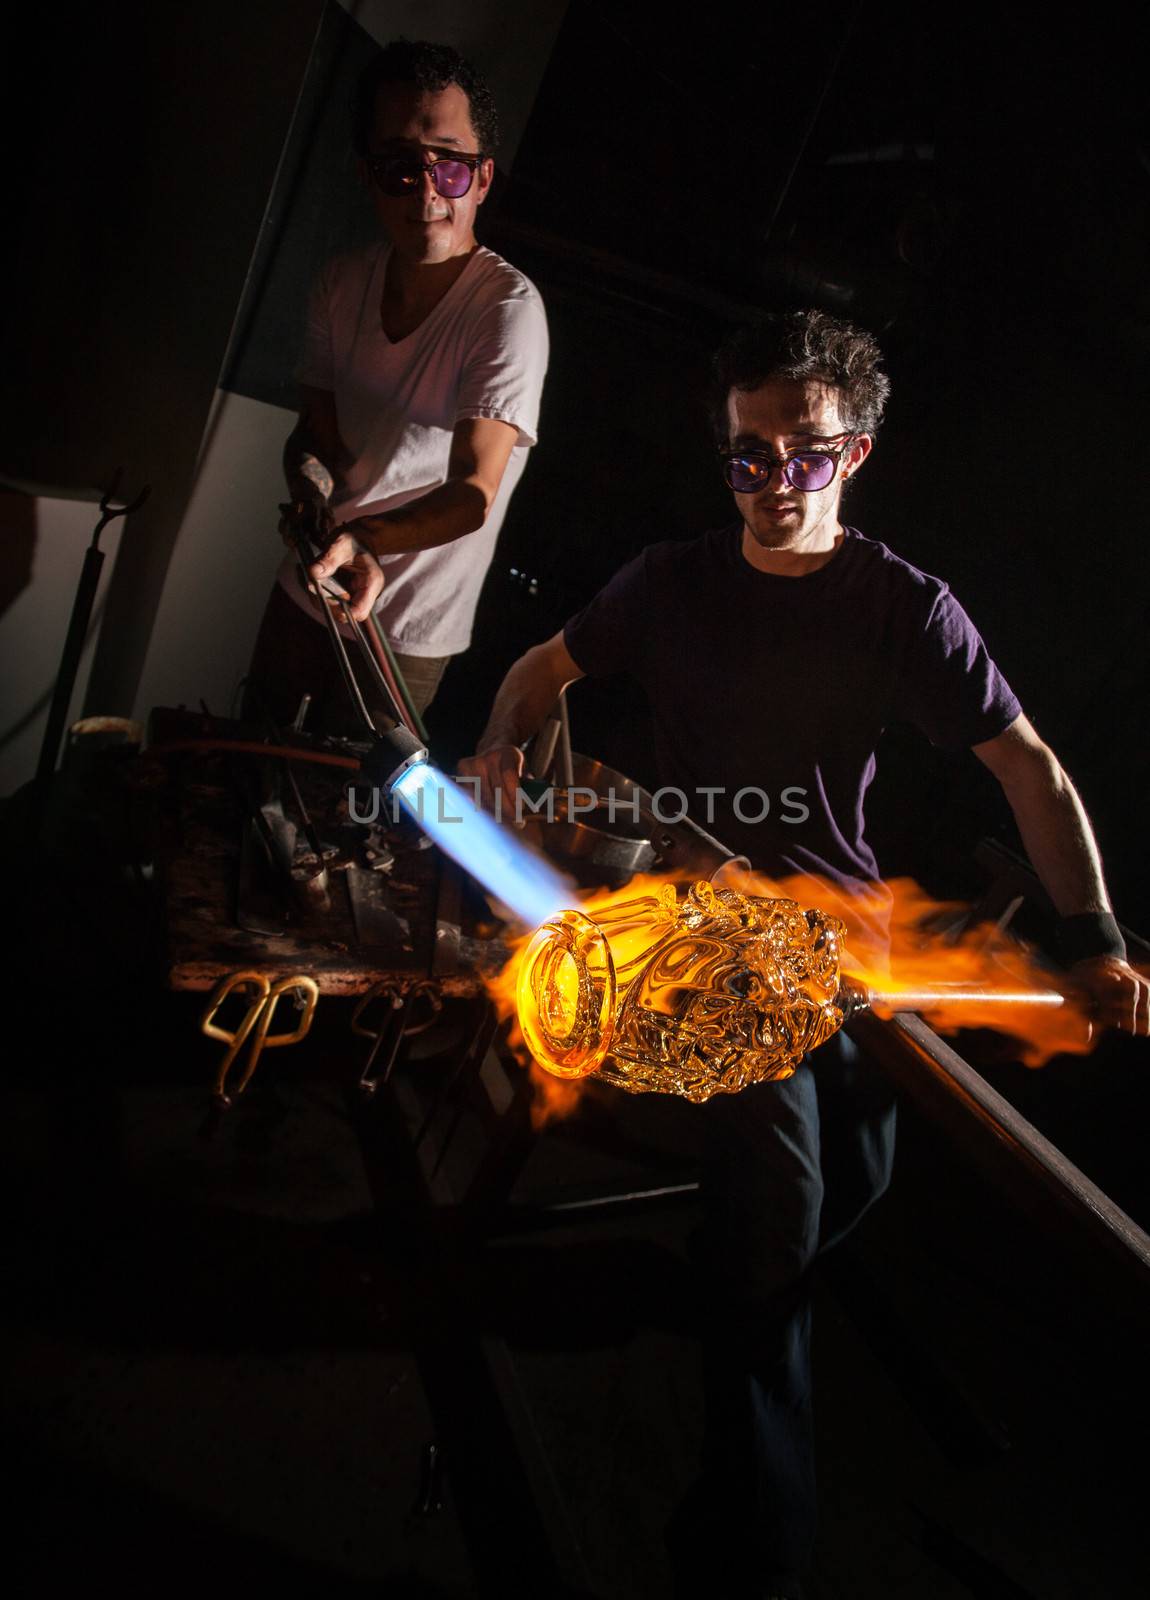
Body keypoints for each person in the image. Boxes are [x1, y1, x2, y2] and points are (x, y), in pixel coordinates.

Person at [460, 310, 1149, 1598]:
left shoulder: (903, 608)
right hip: (698, 932)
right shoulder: (666, 583)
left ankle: (729, 1284)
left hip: (846, 949)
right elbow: (538, 671)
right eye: (749, 456)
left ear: (857, 454)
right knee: (777, 1222)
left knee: (859, 1183)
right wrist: (501, 757)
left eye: (806, 455)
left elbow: (1030, 772)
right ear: (722, 453)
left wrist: (1096, 937)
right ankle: (750, 1549)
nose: (777, 483)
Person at [247, 39, 549, 734]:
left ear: (481, 179)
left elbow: (473, 494)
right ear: (369, 176)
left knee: (347, 817)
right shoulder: (340, 282)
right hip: (310, 586)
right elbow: (314, 438)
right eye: (398, 168)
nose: (425, 192)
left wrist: (365, 541)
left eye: (449, 166)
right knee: (242, 773)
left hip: (408, 627)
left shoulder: (507, 311)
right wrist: (308, 490)